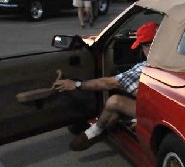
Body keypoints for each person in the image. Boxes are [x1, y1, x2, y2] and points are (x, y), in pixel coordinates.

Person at [52, 21, 159, 151]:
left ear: (150, 46)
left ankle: (95, 132)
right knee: (114, 111)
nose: (143, 51)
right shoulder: (181, 55)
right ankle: (99, 130)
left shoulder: (145, 68)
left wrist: (77, 84)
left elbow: (109, 83)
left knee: (114, 101)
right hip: (166, 109)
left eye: (143, 46)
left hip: (158, 115)